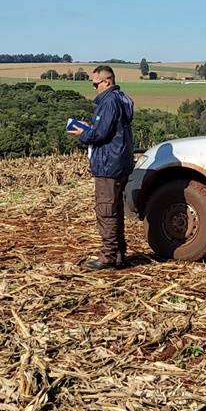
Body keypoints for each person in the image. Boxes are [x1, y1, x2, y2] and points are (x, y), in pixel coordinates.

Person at [68, 65, 135, 269]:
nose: (94, 87)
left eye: (95, 83)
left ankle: (108, 257)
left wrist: (83, 134)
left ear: (106, 82)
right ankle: (118, 254)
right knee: (115, 211)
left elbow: (101, 133)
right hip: (120, 161)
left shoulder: (109, 102)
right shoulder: (123, 99)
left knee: (106, 211)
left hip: (109, 164)